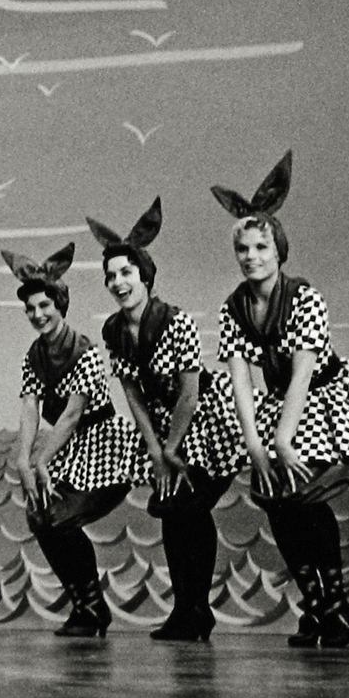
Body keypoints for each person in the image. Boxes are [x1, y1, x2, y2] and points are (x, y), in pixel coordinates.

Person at [212, 152, 349, 648]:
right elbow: (240, 381)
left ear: (279, 250)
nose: (252, 256)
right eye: (243, 248)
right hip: (278, 404)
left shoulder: (304, 297)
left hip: (324, 399)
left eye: (261, 246)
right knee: (278, 502)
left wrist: (282, 439)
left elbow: (303, 374)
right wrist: (256, 444)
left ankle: (337, 608)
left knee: (305, 494)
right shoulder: (234, 306)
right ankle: (317, 606)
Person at [88, 199, 244, 642]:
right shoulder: (114, 332)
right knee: (174, 515)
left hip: (204, 420)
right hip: (161, 429)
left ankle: (197, 609)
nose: (119, 282)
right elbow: (132, 393)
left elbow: (190, 391)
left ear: (145, 277)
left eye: (126, 273)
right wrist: (155, 451)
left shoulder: (177, 322)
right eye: (111, 276)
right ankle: (186, 610)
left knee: (190, 507)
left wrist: (172, 448)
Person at [5, 244, 151, 638]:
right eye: (31, 309)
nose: (38, 315)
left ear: (60, 304)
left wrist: (39, 462)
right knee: (40, 516)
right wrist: (23, 458)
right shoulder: (34, 355)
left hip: (101, 443)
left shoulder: (84, 350)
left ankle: (91, 608)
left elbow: (71, 414)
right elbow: (31, 407)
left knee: (60, 517)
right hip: (67, 450)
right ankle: (86, 604)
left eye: (44, 306)